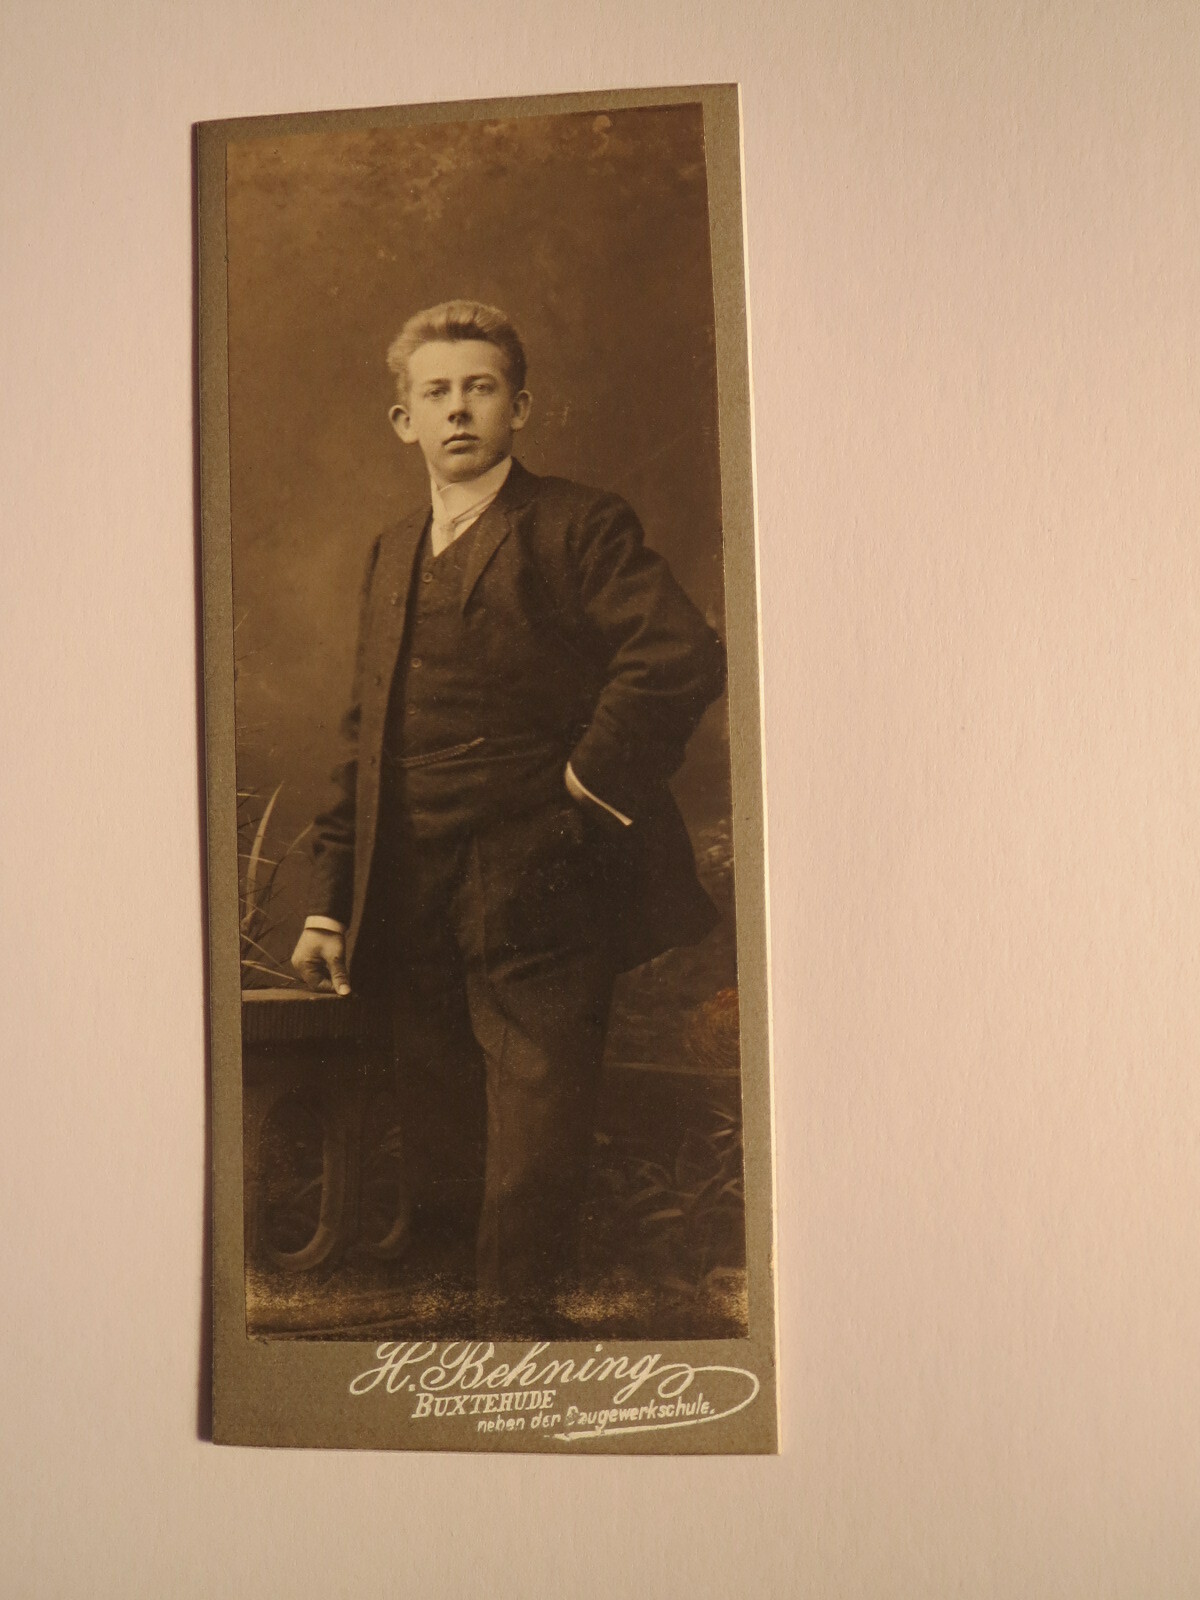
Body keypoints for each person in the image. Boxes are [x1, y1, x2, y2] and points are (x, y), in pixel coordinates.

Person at [290, 299, 725, 1314]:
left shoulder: (577, 524)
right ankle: (449, 1363)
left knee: (534, 1140)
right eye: (434, 393)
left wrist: (584, 781)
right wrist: (326, 900)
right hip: (416, 885)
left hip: (543, 876)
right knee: (440, 1131)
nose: (457, 411)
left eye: (479, 388)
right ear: (403, 420)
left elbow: (678, 654)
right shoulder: (393, 549)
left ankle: (518, 1358)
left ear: (520, 406)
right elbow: (369, 734)